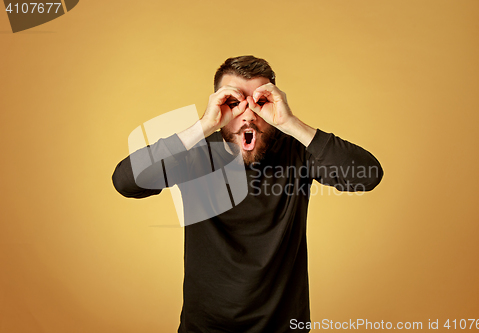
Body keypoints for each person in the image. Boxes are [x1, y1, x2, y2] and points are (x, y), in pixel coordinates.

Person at [112, 55, 383, 332]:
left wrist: (290, 123)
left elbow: (368, 174)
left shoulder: (297, 152)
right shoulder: (195, 154)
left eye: (260, 102)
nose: (249, 115)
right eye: (233, 103)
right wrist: (203, 126)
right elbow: (126, 182)